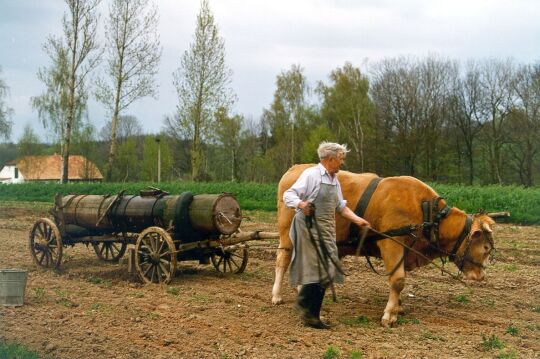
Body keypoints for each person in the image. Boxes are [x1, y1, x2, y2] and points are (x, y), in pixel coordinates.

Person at [283, 142, 370, 329]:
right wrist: (301, 205)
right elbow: (288, 195)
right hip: (308, 226)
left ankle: (306, 307)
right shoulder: (311, 175)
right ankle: (309, 312)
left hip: (326, 227)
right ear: (330, 159)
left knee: (329, 268)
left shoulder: (333, 179)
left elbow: (340, 207)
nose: (342, 163)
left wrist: (358, 220)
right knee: (320, 268)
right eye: (340, 159)